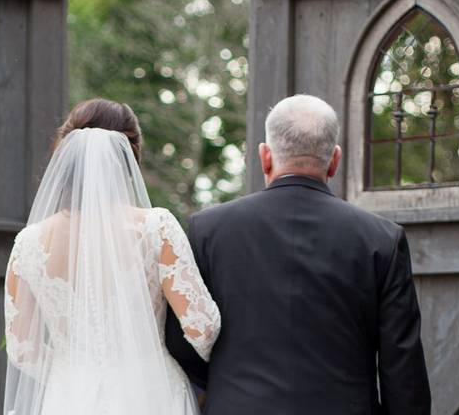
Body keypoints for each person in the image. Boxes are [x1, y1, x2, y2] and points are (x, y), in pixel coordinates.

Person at [165, 94, 432, 414]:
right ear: (335, 160)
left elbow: (181, 342)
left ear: (265, 157)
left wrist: (231, 388)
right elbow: (403, 371)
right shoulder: (382, 239)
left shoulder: (208, 231)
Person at [2, 99, 221, 415]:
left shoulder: (29, 243)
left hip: (68, 398)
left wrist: (74, 372)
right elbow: (203, 328)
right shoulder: (155, 227)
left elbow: (22, 349)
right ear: (131, 157)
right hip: (152, 392)